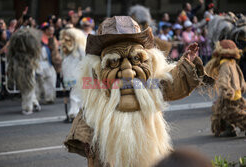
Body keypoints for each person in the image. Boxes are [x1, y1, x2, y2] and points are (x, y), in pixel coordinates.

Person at [64, 16, 212, 167]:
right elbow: (87, 114)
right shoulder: (97, 94)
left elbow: (173, 85)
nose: (128, 73)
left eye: (136, 59)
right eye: (114, 61)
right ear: (98, 69)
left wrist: (186, 64)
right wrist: (84, 139)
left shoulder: (151, 85)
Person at [205, 40, 246, 137]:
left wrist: (226, 90)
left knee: (233, 113)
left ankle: (229, 128)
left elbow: (224, 80)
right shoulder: (233, 63)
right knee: (222, 112)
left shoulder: (225, 65)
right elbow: (241, 78)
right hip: (236, 93)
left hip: (230, 95)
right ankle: (228, 129)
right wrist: (242, 86)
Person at [7, 28, 41, 115]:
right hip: (23, 67)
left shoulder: (25, 50)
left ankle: (30, 105)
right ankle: (29, 106)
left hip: (26, 67)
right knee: (28, 87)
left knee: (28, 87)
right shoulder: (23, 50)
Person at [60, 27, 86, 120]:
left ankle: (74, 113)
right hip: (69, 75)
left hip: (77, 75)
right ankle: (76, 113)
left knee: (75, 94)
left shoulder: (80, 49)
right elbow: (64, 63)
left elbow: (85, 60)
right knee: (74, 93)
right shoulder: (66, 50)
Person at [36, 22, 57, 103]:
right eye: (47, 29)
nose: (50, 30)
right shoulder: (39, 39)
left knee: (51, 80)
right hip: (39, 62)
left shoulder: (51, 38)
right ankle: (36, 99)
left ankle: (49, 98)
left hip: (48, 63)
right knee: (39, 81)